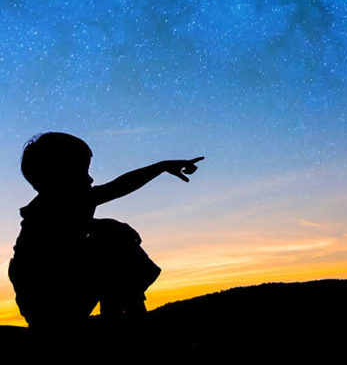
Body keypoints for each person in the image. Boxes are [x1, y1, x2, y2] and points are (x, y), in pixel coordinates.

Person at [7, 132, 203, 331]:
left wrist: (162, 166)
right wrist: (107, 225)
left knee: (112, 240)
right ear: (59, 176)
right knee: (114, 240)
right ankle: (127, 318)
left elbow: (120, 186)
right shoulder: (47, 211)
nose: (90, 179)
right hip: (48, 301)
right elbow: (115, 189)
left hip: (57, 293)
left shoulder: (68, 202)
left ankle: (122, 310)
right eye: (82, 171)